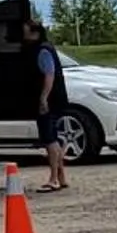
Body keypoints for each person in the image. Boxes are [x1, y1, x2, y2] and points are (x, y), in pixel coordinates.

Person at [25, 16, 72, 192]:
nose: (23, 36)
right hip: (57, 99)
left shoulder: (42, 51)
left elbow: (49, 75)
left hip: (50, 101)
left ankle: (53, 179)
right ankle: (61, 177)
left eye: (26, 32)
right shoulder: (47, 48)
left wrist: (43, 97)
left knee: (50, 139)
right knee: (54, 138)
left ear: (35, 33)